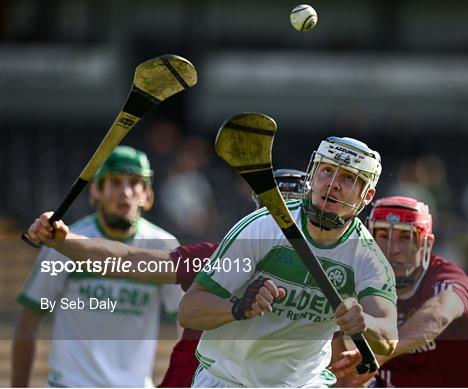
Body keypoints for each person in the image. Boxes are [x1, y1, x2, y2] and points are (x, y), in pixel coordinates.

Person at [24, 168, 308, 387]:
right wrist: (65, 241)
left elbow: (329, 356)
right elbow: (128, 260)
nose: (279, 226)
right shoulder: (214, 259)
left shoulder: (330, 275)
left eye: (290, 215)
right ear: (255, 215)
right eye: (270, 213)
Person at [179, 136, 398, 387]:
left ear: (367, 195)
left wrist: (365, 322)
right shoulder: (263, 226)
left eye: (348, 177)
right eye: (327, 170)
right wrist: (238, 308)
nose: (332, 184)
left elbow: (388, 338)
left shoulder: (368, 258)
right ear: (312, 175)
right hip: (227, 378)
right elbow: (189, 310)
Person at [12, 146, 183, 387]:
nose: (125, 192)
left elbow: (188, 323)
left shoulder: (164, 246)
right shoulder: (63, 243)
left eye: (135, 182)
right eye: (114, 182)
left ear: (147, 194)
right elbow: (27, 325)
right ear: (96, 190)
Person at [329, 196, 468, 387]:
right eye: (384, 236)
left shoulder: (448, 279)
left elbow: (437, 315)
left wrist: (377, 356)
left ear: (426, 244)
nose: (392, 249)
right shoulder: (356, 279)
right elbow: (343, 376)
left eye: (406, 238)